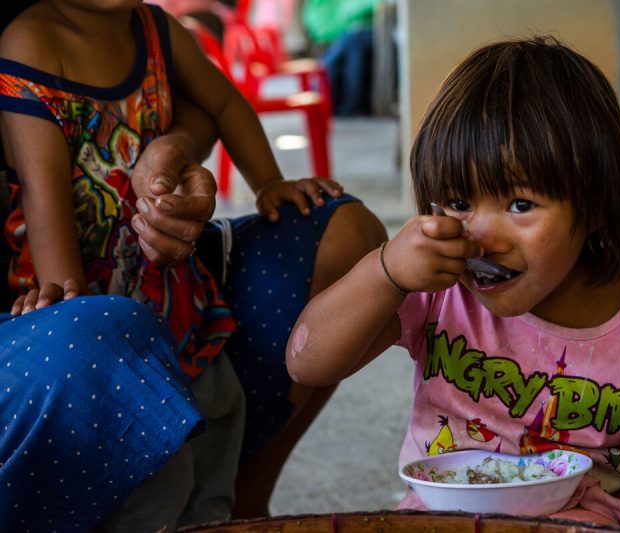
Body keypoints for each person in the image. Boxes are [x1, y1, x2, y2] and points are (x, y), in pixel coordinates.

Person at [285, 36, 620, 531]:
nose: (481, 237)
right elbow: (308, 362)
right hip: (440, 517)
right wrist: (386, 272)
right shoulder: (437, 292)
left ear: (595, 206)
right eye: (459, 203)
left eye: (520, 205)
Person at [0, 1, 386, 530]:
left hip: (171, 291)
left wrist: (267, 183)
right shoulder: (32, 41)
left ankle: (232, 513)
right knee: (154, 472)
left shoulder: (157, 31)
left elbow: (224, 103)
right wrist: (69, 304)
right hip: (81, 303)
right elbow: (44, 196)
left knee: (211, 449)